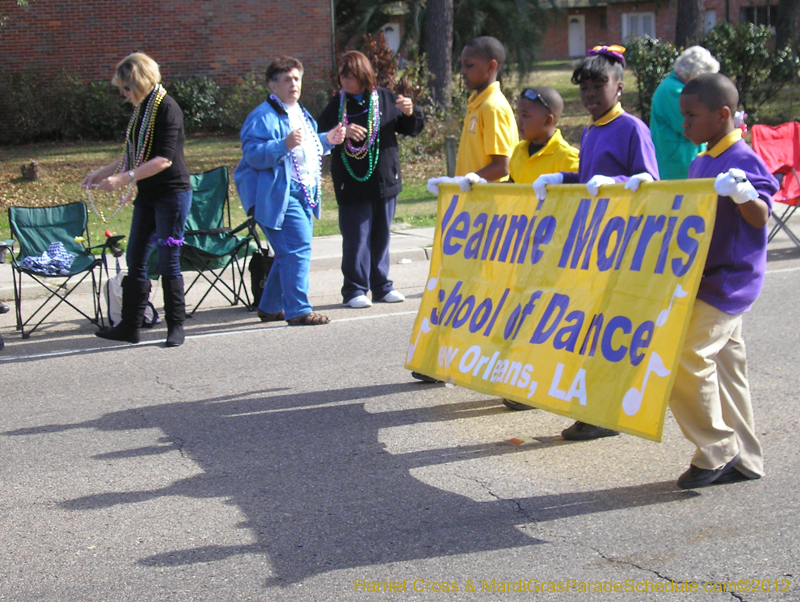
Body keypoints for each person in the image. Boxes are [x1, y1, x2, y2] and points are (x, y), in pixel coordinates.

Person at [534, 45, 660, 439]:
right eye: (584, 87)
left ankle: (605, 414)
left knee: (608, 335)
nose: (590, 94)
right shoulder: (590, 130)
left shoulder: (632, 129)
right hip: (591, 244)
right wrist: (561, 179)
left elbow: (649, 181)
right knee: (588, 331)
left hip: (624, 246)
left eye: (598, 85)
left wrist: (617, 184)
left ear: (619, 86)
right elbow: (590, 178)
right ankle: (595, 408)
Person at [670, 73, 778, 488]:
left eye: (691, 116)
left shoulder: (743, 158)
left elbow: (762, 214)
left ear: (723, 115)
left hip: (728, 282)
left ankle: (717, 448)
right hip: (706, 278)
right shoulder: (702, 158)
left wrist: (744, 194)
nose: (685, 124)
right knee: (728, 370)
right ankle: (747, 458)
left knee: (685, 355)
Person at [83, 52, 192, 347]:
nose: (124, 94)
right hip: (148, 196)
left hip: (172, 194)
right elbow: (132, 155)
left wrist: (123, 178)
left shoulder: (167, 107)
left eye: (127, 87)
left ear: (141, 81)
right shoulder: (142, 110)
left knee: (168, 261)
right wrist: (100, 173)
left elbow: (163, 160)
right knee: (135, 258)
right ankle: (130, 325)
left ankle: (176, 326)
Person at [234, 56, 345, 326]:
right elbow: (252, 154)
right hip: (278, 195)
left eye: (296, 78)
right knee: (297, 248)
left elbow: (304, 147)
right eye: (286, 80)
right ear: (273, 86)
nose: (293, 84)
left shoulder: (301, 113)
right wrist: (281, 145)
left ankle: (271, 307)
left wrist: (326, 140)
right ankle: (297, 310)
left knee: (288, 251)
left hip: (303, 192)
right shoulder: (263, 116)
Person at [318, 50, 425, 309]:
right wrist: (340, 132)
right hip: (352, 183)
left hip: (384, 181)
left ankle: (381, 286)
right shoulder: (338, 104)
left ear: (363, 75)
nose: (345, 83)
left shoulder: (385, 99)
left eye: (350, 77)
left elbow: (413, 128)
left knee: (381, 236)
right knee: (356, 238)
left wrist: (412, 112)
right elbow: (320, 135)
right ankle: (354, 289)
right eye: (342, 78)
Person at [650, 46, 720, 180]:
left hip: (680, 161)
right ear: (696, 74)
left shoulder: (675, 87)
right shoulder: (673, 91)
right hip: (676, 165)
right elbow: (696, 127)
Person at [508, 87, 579, 184]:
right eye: (518, 115)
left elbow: (578, 194)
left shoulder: (567, 157)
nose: (519, 121)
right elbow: (511, 189)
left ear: (547, 120)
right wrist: (484, 184)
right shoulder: (519, 150)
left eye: (525, 116)